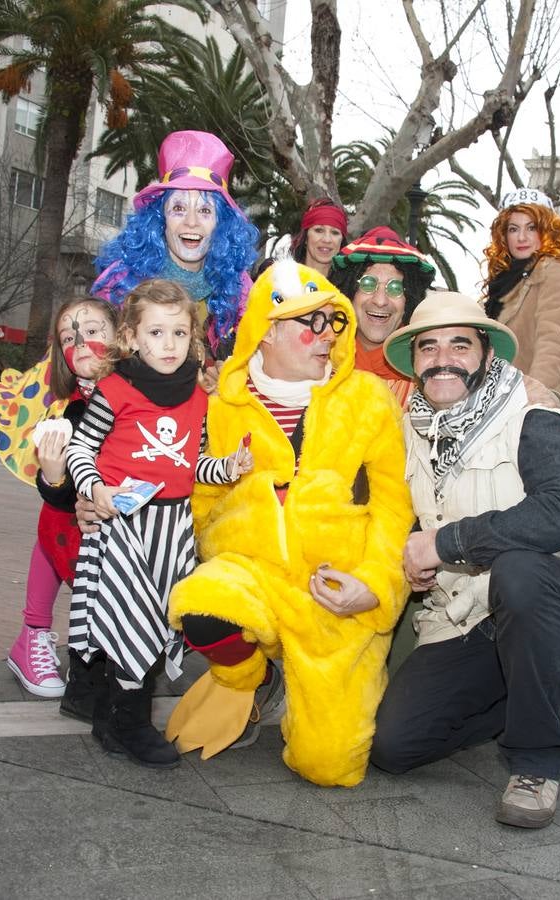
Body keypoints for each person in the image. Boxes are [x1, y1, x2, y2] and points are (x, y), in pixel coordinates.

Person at [370, 290, 560, 830]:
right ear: (414, 362)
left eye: (460, 345)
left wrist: (444, 543)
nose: (443, 358)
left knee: (520, 568)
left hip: (556, 601)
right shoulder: (406, 429)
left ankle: (537, 760)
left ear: (486, 354)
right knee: (394, 746)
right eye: (428, 347)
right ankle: (526, 691)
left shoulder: (533, 413)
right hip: (463, 616)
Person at [162, 259, 413, 788]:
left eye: (334, 322)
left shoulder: (369, 401)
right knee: (201, 603)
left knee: (329, 767)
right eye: (311, 323)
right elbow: (203, 497)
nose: (327, 337)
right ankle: (247, 677)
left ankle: (320, 688)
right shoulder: (223, 407)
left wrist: (375, 585)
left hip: (334, 598)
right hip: (251, 574)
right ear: (268, 333)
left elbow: (393, 505)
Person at [64, 279, 253, 768]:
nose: (167, 345)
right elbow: (79, 449)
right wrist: (94, 488)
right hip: (123, 527)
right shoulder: (113, 390)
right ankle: (130, 724)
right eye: (155, 333)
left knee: (155, 622)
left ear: (192, 337)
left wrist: (228, 468)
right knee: (135, 623)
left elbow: (193, 465)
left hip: (173, 532)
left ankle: (110, 721)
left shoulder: (196, 396)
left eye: (177, 333)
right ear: (130, 337)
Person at [4, 298, 118, 702]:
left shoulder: (143, 396)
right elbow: (61, 498)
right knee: (53, 522)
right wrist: (53, 475)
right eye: (70, 337)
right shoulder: (71, 415)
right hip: (79, 531)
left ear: (121, 335)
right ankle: (32, 636)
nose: (82, 342)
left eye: (93, 330)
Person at [92, 130, 260, 363]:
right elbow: (90, 354)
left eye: (205, 211)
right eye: (179, 209)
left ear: (221, 224)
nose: (191, 222)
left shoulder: (238, 286)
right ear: (160, 219)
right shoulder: (121, 281)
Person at [481, 189, 560, 426]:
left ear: (548, 232)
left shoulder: (555, 273)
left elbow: (555, 347)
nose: (522, 237)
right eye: (513, 229)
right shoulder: (505, 283)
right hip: (504, 413)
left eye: (531, 227)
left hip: (542, 418)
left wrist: (531, 404)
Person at [328, 226, 435, 406]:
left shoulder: (428, 373)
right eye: (368, 284)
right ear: (348, 293)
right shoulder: (320, 361)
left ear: (409, 300)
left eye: (395, 288)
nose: (380, 301)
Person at [290, 198, 347, 276]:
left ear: (341, 240)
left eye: (335, 233)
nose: (327, 239)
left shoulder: (354, 285)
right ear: (305, 237)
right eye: (319, 230)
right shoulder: (279, 276)